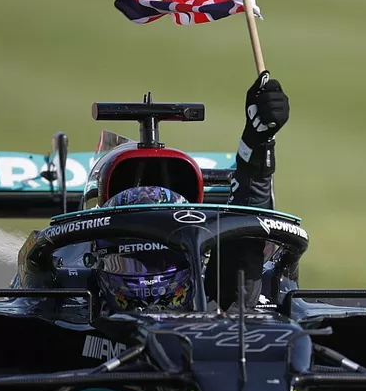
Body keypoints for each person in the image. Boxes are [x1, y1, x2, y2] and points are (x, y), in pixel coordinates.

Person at [90, 72, 290, 313]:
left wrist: (258, 143)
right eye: (131, 260)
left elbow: (243, 247)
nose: (147, 276)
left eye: (161, 258)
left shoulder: (220, 301)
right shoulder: (71, 306)